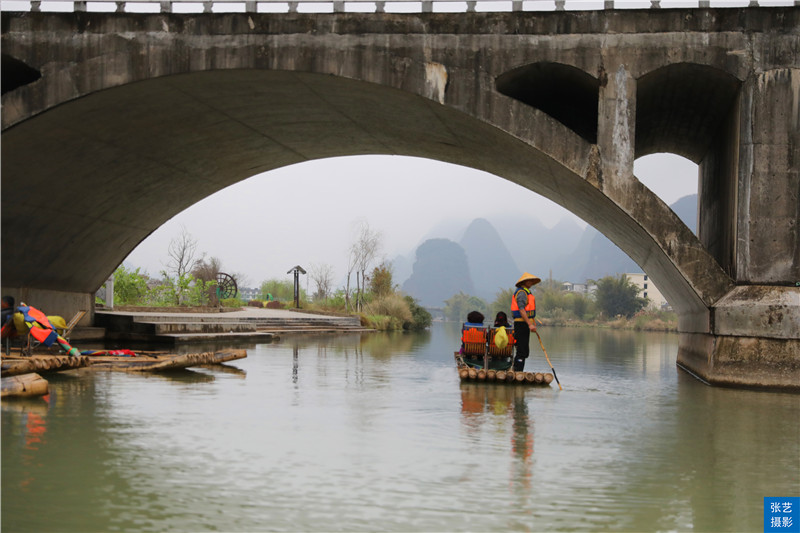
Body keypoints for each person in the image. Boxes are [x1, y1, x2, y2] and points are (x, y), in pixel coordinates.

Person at [510, 272, 541, 371]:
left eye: (532, 281)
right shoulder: (522, 293)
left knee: (524, 350)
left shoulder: (526, 292)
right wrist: (530, 324)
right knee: (522, 350)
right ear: (524, 282)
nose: (531, 282)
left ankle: (518, 370)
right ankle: (517, 372)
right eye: (529, 280)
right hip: (521, 324)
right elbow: (521, 309)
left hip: (524, 324)